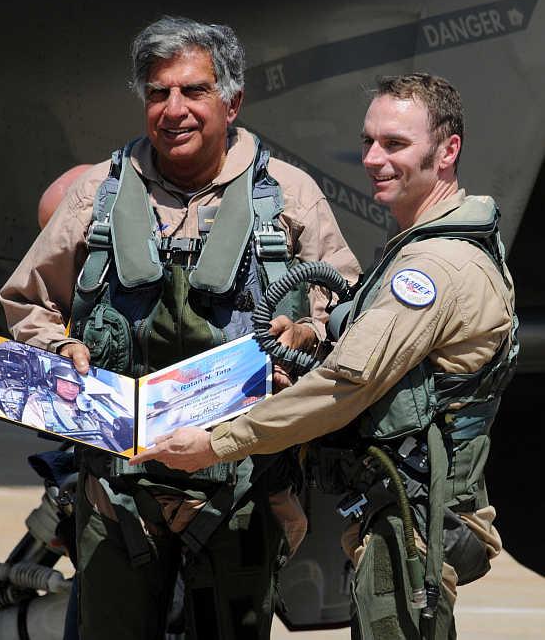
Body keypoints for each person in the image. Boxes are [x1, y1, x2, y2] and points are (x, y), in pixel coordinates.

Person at [0, 15, 360, 640]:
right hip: (117, 491)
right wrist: (61, 348)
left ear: (232, 101)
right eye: (159, 93)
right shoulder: (98, 196)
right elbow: (27, 300)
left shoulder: (289, 195)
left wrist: (305, 337)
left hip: (242, 482)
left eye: (194, 91)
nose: (175, 110)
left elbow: (349, 306)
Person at [135, 73, 517, 639]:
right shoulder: (434, 244)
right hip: (400, 512)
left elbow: (345, 388)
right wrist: (315, 333)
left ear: (448, 150)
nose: (373, 159)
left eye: (395, 144)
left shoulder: (433, 270)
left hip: (411, 522)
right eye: (368, 141)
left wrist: (218, 443)